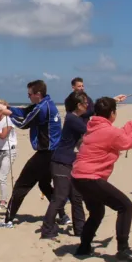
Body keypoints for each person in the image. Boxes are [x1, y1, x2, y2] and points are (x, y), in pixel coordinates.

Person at [70, 97, 132, 262]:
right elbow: (127, 142)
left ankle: (84, 247)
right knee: (125, 206)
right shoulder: (108, 131)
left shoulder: (94, 126)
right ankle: (123, 251)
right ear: (112, 113)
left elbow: (119, 133)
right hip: (89, 178)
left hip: (78, 177)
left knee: (97, 212)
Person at [0, 80, 62, 228]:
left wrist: (8, 115)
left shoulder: (41, 108)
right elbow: (24, 111)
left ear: (38, 94)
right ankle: (63, 215)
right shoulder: (46, 103)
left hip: (46, 153)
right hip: (53, 153)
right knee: (44, 184)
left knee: (21, 185)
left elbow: (24, 123)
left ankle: (8, 220)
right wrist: (6, 108)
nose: (28, 96)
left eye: (30, 94)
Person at [41, 91, 89, 240]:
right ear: (78, 105)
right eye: (85, 103)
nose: (87, 105)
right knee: (60, 197)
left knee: (76, 197)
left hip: (70, 163)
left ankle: (80, 230)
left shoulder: (76, 118)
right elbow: (90, 131)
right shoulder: (72, 118)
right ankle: (47, 230)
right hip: (61, 163)